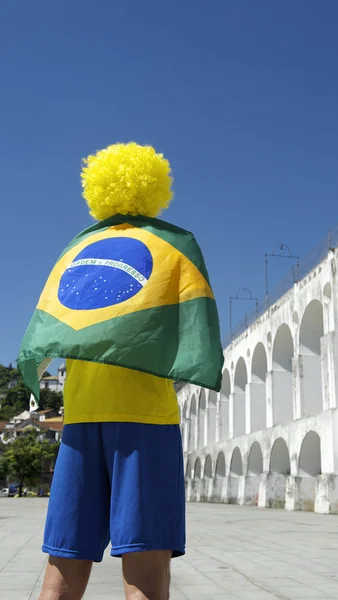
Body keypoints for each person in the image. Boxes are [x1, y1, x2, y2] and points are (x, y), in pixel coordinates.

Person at [18, 142, 223, 600]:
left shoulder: (77, 251)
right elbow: (194, 324)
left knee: (63, 569)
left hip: (81, 417)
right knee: (146, 572)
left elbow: (45, 329)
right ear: (156, 189)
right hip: (145, 420)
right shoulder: (173, 245)